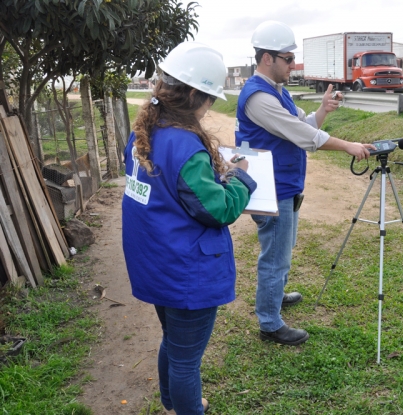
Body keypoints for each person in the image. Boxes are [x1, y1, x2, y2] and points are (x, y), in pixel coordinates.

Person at [122, 42, 256, 414]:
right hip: (186, 272)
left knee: (174, 340)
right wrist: (240, 179)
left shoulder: (143, 134)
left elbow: (161, 188)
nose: (210, 106)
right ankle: (185, 407)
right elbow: (218, 209)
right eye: (210, 99)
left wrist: (211, 175)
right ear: (195, 94)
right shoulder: (186, 146)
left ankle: (171, 404)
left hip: (156, 262)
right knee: (186, 361)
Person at [235, 20, 375, 346]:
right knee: (276, 256)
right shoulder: (259, 98)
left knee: (283, 247)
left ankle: (275, 294)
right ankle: (269, 323)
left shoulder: (277, 92)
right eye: (288, 59)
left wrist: (323, 109)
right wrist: (348, 146)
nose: (293, 65)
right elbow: (305, 136)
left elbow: (304, 123)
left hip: (284, 183)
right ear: (267, 58)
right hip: (272, 187)